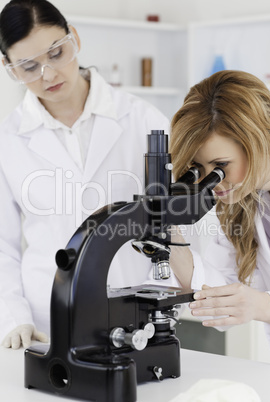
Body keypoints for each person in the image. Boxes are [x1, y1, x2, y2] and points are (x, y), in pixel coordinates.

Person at [0, 0, 173, 349]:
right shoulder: (8, 139)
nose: (48, 74)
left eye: (56, 53)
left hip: (135, 312)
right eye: (29, 66)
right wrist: (13, 316)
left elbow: (175, 223)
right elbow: (3, 246)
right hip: (46, 322)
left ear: (74, 38)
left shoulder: (142, 119)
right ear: (10, 69)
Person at [169, 70, 270, 369]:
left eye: (221, 166)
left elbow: (253, 303)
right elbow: (218, 293)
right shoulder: (243, 196)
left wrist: (264, 305)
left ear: (257, 140)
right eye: (199, 168)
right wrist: (167, 234)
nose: (213, 182)